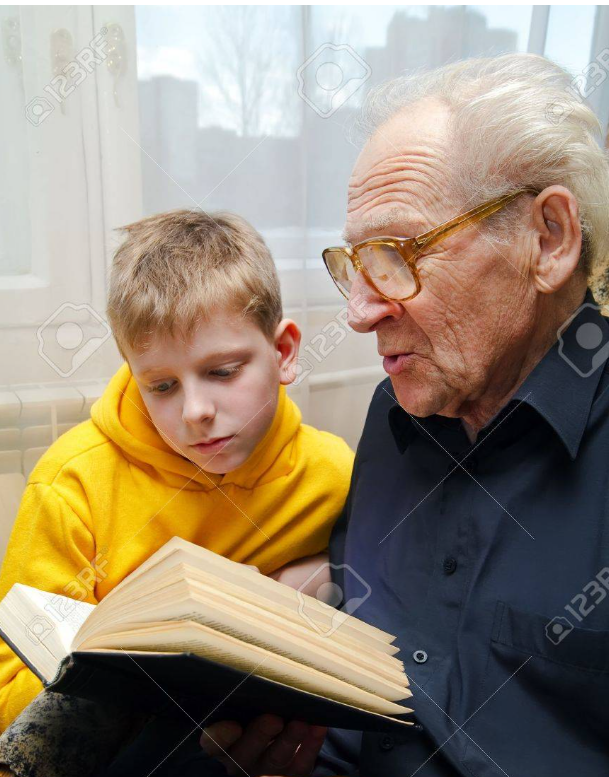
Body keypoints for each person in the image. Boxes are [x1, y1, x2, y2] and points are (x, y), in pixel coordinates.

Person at [200, 53, 609, 776]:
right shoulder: (397, 408)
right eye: (354, 262)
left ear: (547, 238)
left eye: (397, 253)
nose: (358, 312)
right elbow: (351, 589)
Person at [0, 209, 353, 774]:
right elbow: (9, 689)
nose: (195, 412)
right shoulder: (75, 481)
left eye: (222, 372)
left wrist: (313, 579)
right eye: (161, 386)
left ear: (284, 353)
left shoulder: (334, 474)